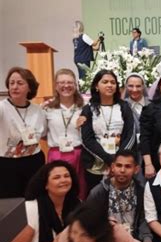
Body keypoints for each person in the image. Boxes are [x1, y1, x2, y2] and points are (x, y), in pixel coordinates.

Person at [3, 161, 80, 242]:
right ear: (46, 185)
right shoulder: (30, 210)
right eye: (57, 177)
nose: (63, 180)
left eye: (67, 176)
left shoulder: (78, 205)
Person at [87, 150, 159, 242]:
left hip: (133, 240)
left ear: (136, 169)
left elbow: (143, 219)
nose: (122, 170)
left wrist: (147, 241)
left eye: (128, 166)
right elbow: (89, 223)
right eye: (119, 165)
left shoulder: (141, 190)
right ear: (112, 167)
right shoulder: (98, 192)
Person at [80, 69, 136, 194]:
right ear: (96, 86)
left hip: (121, 166)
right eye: (105, 82)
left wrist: (118, 160)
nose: (109, 85)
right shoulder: (88, 109)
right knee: (96, 201)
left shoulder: (124, 107)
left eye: (113, 82)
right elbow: (86, 139)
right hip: (95, 166)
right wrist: (109, 159)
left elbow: (130, 135)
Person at [0, 67, 46, 198]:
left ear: (30, 87)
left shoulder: (38, 110)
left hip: (34, 161)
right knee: (10, 203)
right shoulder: (2, 107)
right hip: (7, 163)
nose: (15, 87)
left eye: (20, 83)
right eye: (11, 83)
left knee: (34, 198)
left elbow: (43, 134)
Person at [44, 68, 86, 199]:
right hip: (56, 154)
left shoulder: (85, 106)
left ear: (75, 85)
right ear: (56, 86)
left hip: (79, 154)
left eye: (70, 82)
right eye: (61, 83)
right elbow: (42, 133)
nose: (66, 86)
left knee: (80, 191)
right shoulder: (47, 107)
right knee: (57, 192)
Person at [124, 72, 151, 183]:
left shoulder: (152, 105)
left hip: (149, 153)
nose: (134, 89)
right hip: (130, 152)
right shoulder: (122, 106)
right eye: (130, 86)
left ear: (143, 87)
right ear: (126, 87)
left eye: (138, 86)